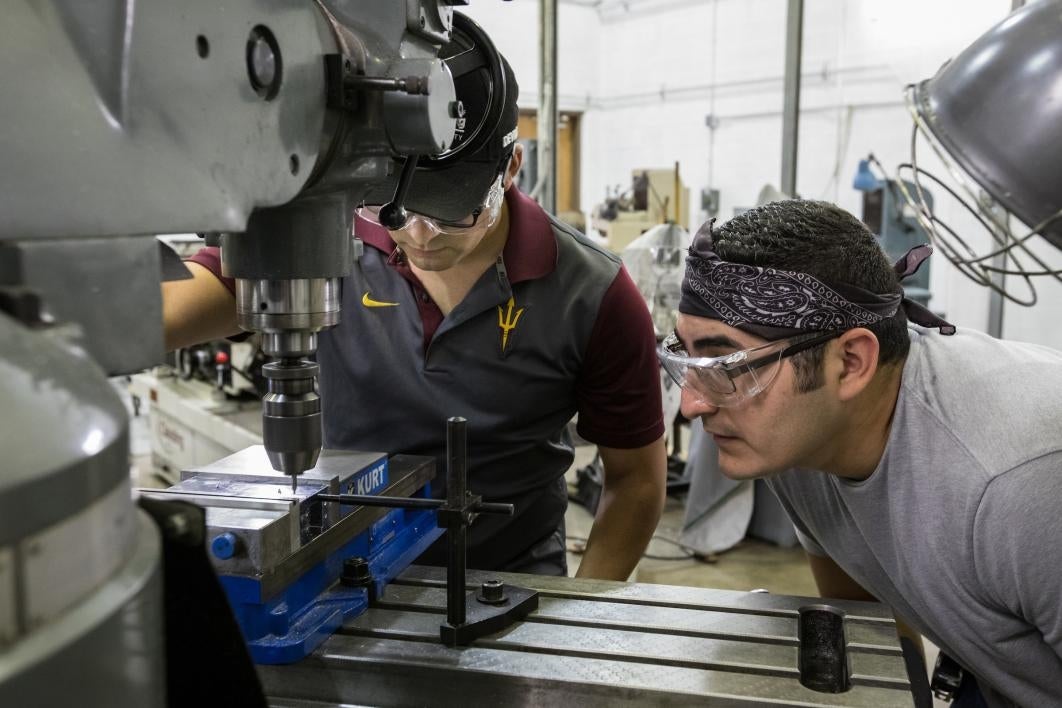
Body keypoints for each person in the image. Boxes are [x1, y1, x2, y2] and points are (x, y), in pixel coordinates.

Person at [163, 42, 667, 580]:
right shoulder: (322, 240)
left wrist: (580, 617)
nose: (420, 234)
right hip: (345, 572)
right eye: (393, 208)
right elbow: (165, 313)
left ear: (512, 167)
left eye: (453, 212)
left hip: (514, 581)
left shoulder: (594, 293)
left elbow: (636, 480)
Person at [666, 199, 1062, 707]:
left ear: (851, 361)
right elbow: (867, 626)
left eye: (728, 365)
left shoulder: (1019, 485)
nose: (692, 404)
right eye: (686, 359)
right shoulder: (798, 443)